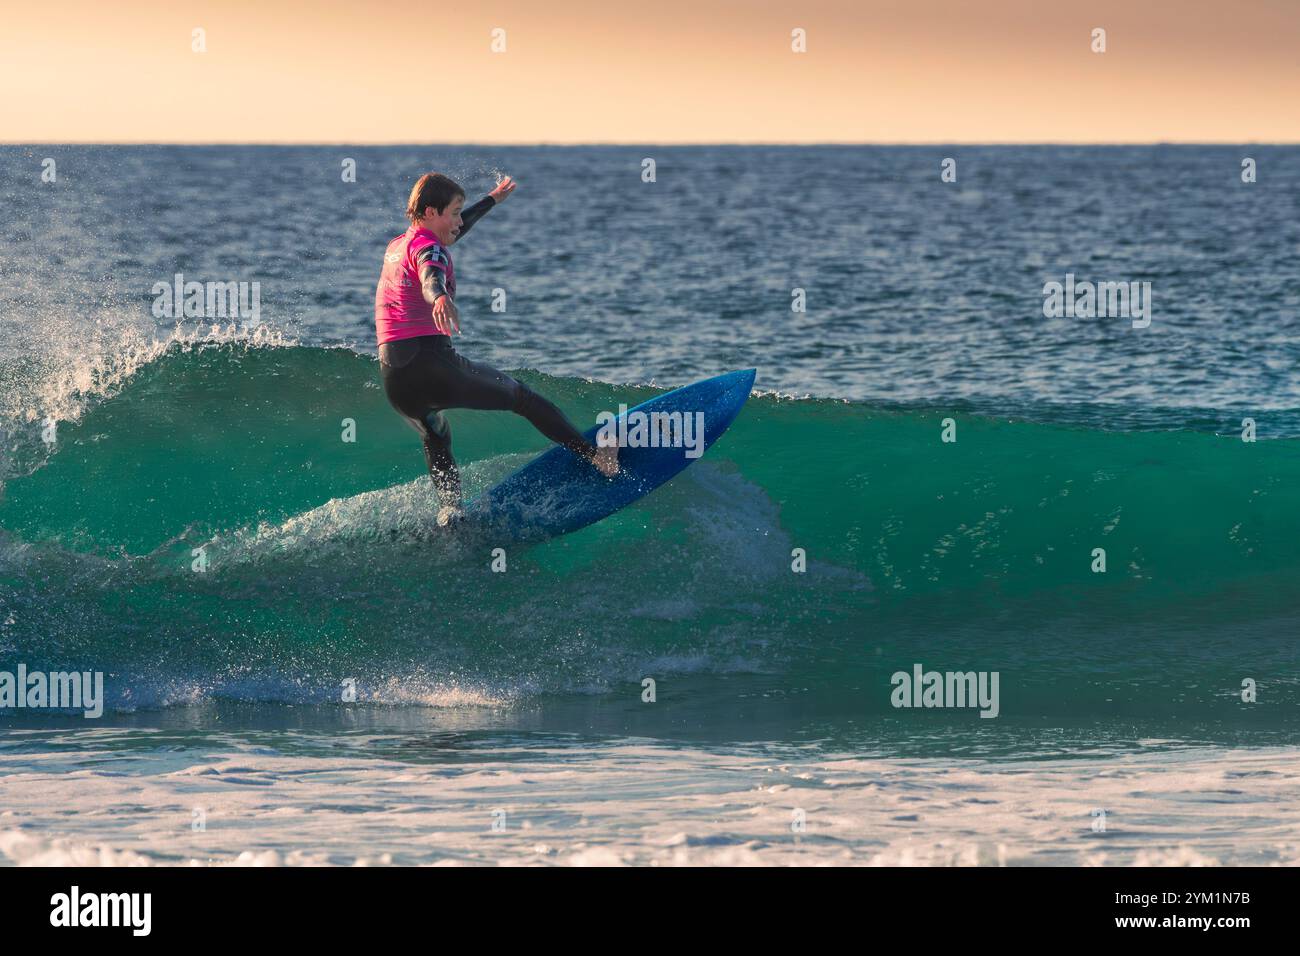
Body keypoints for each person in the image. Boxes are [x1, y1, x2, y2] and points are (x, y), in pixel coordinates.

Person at [375, 172, 618, 525]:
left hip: (395, 378)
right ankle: (598, 459)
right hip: (430, 363)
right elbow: (432, 272)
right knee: (522, 398)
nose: (459, 221)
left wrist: (490, 200)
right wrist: (439, 296)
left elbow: (449, 237)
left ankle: (451, 512)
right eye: (454, 212)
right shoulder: (429, 249)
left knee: (436, 434)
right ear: (430, 212)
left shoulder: (398, 246)